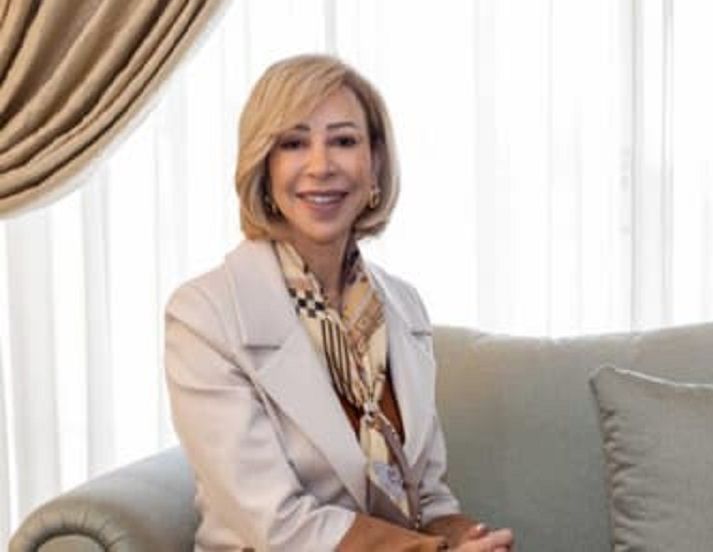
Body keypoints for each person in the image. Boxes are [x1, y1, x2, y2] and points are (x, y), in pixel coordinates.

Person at [164, 54, 515, 551]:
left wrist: (469, 538)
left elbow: (427, 499)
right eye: (294, 143)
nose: (321, 166)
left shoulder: (403, 306)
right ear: (264, 166)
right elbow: (276, 524)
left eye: (344, 141)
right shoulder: (204, 315)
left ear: (375, 164)